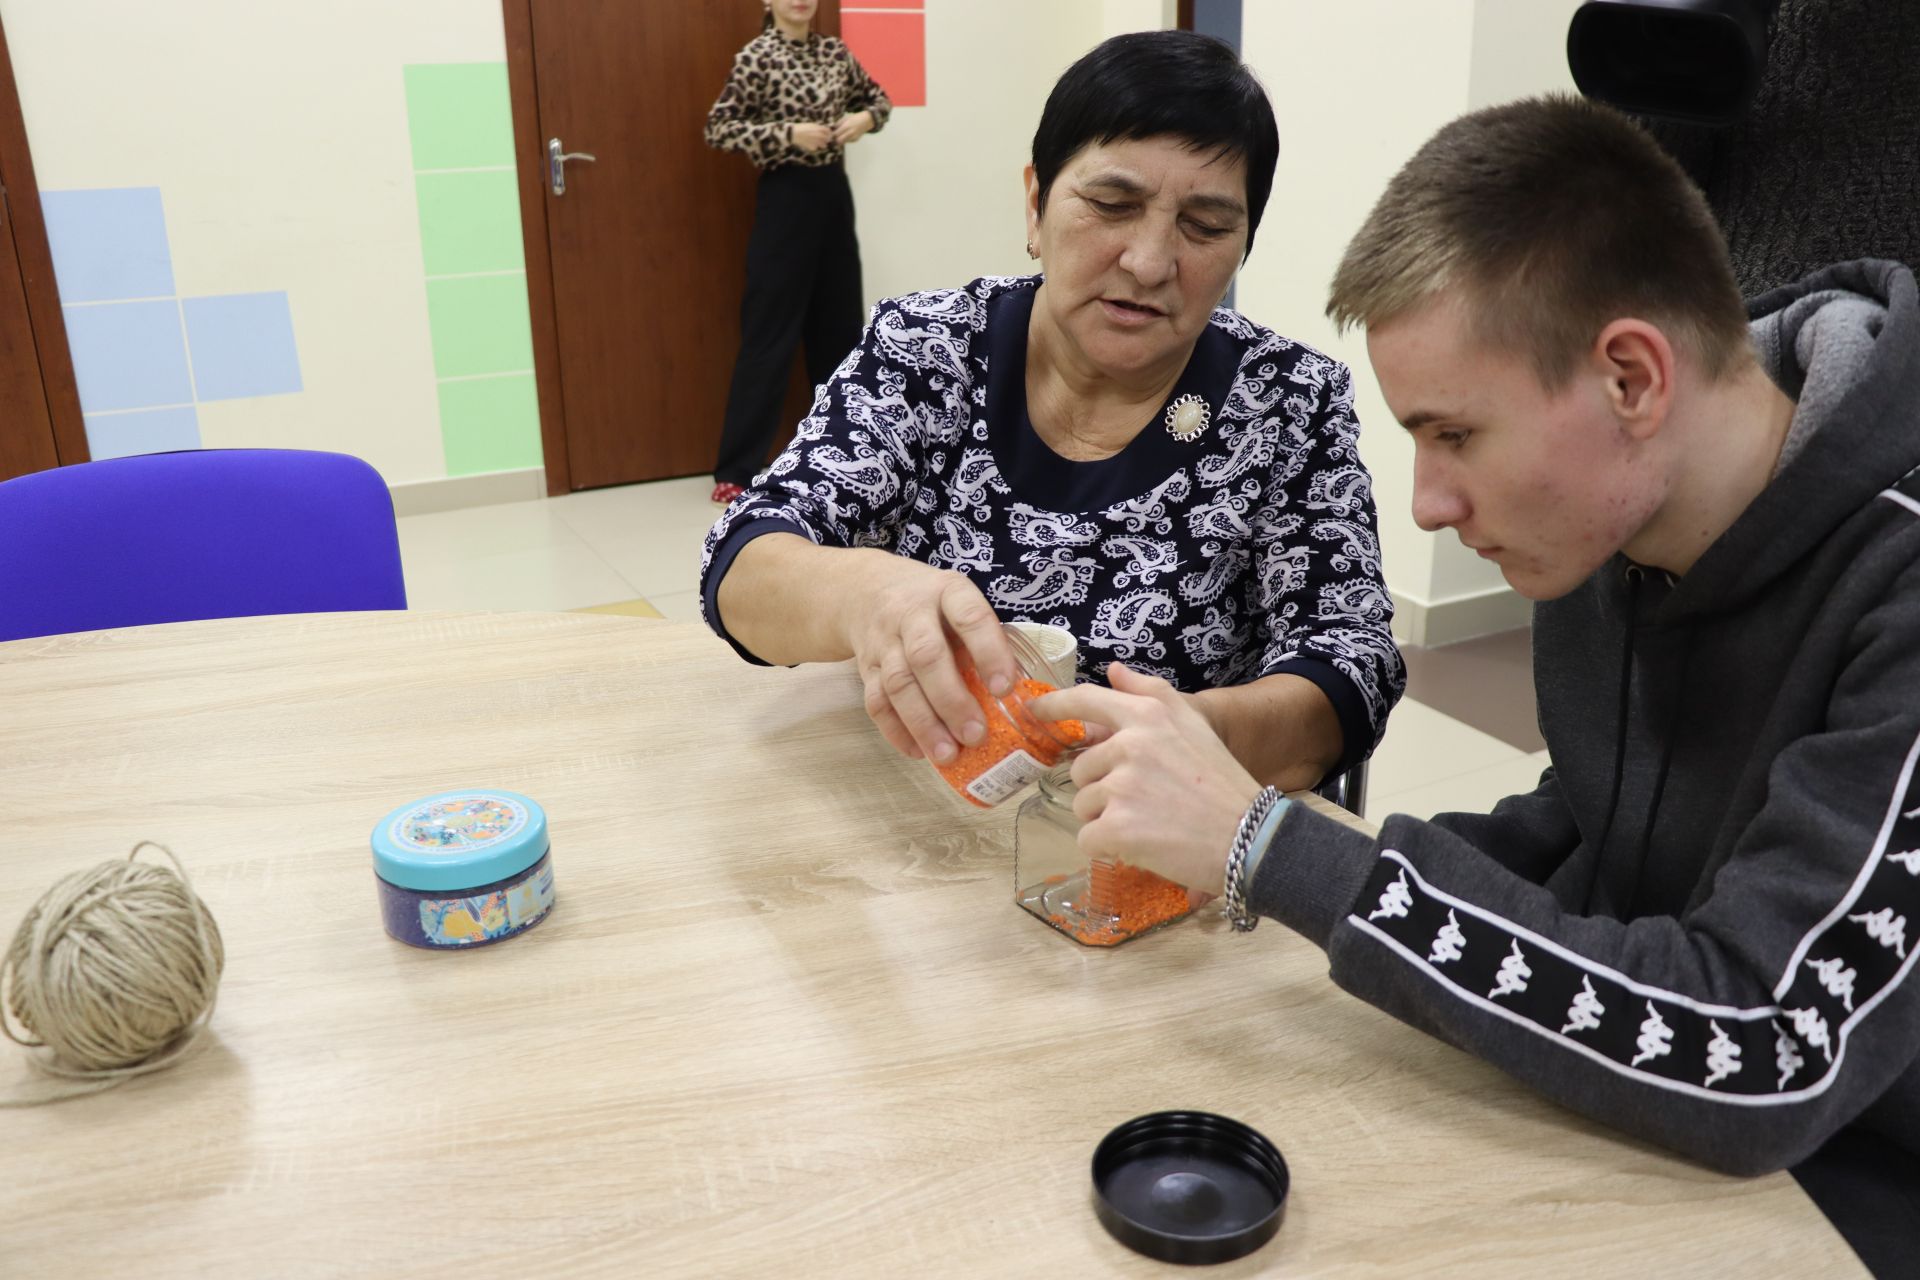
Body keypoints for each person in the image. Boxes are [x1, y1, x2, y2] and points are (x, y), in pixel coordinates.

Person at [1037, 94, 1920, 1273]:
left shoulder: (1898, 590)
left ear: (1631, 379)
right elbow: (1585, 829)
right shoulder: (1622, 519)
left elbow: (1764, 1051)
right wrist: (1245, 885)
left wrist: (1267, 842)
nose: (1427, 502)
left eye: (1454, 435)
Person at [699, 31, 1404, 793]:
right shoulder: (929, 347)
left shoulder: (1288, 402)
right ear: (1035, 203)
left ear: (1243, 247)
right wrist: (867, 597)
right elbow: (743, 561)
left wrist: (1193, 737)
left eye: (1204, 227)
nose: (1148, 261)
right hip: (924, 815)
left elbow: (1351, 662)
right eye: (1111, 204)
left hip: (1154, 840)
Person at [704, 0, 892, 506]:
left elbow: (880, 101)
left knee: (839, 330)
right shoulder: (756, 56)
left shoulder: (835, 53)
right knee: (769, 330)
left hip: (833, 194)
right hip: (784, 196)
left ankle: (842, 453)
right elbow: (719, 128)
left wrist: (862, 120)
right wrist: (788, 134)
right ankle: (737, 468)